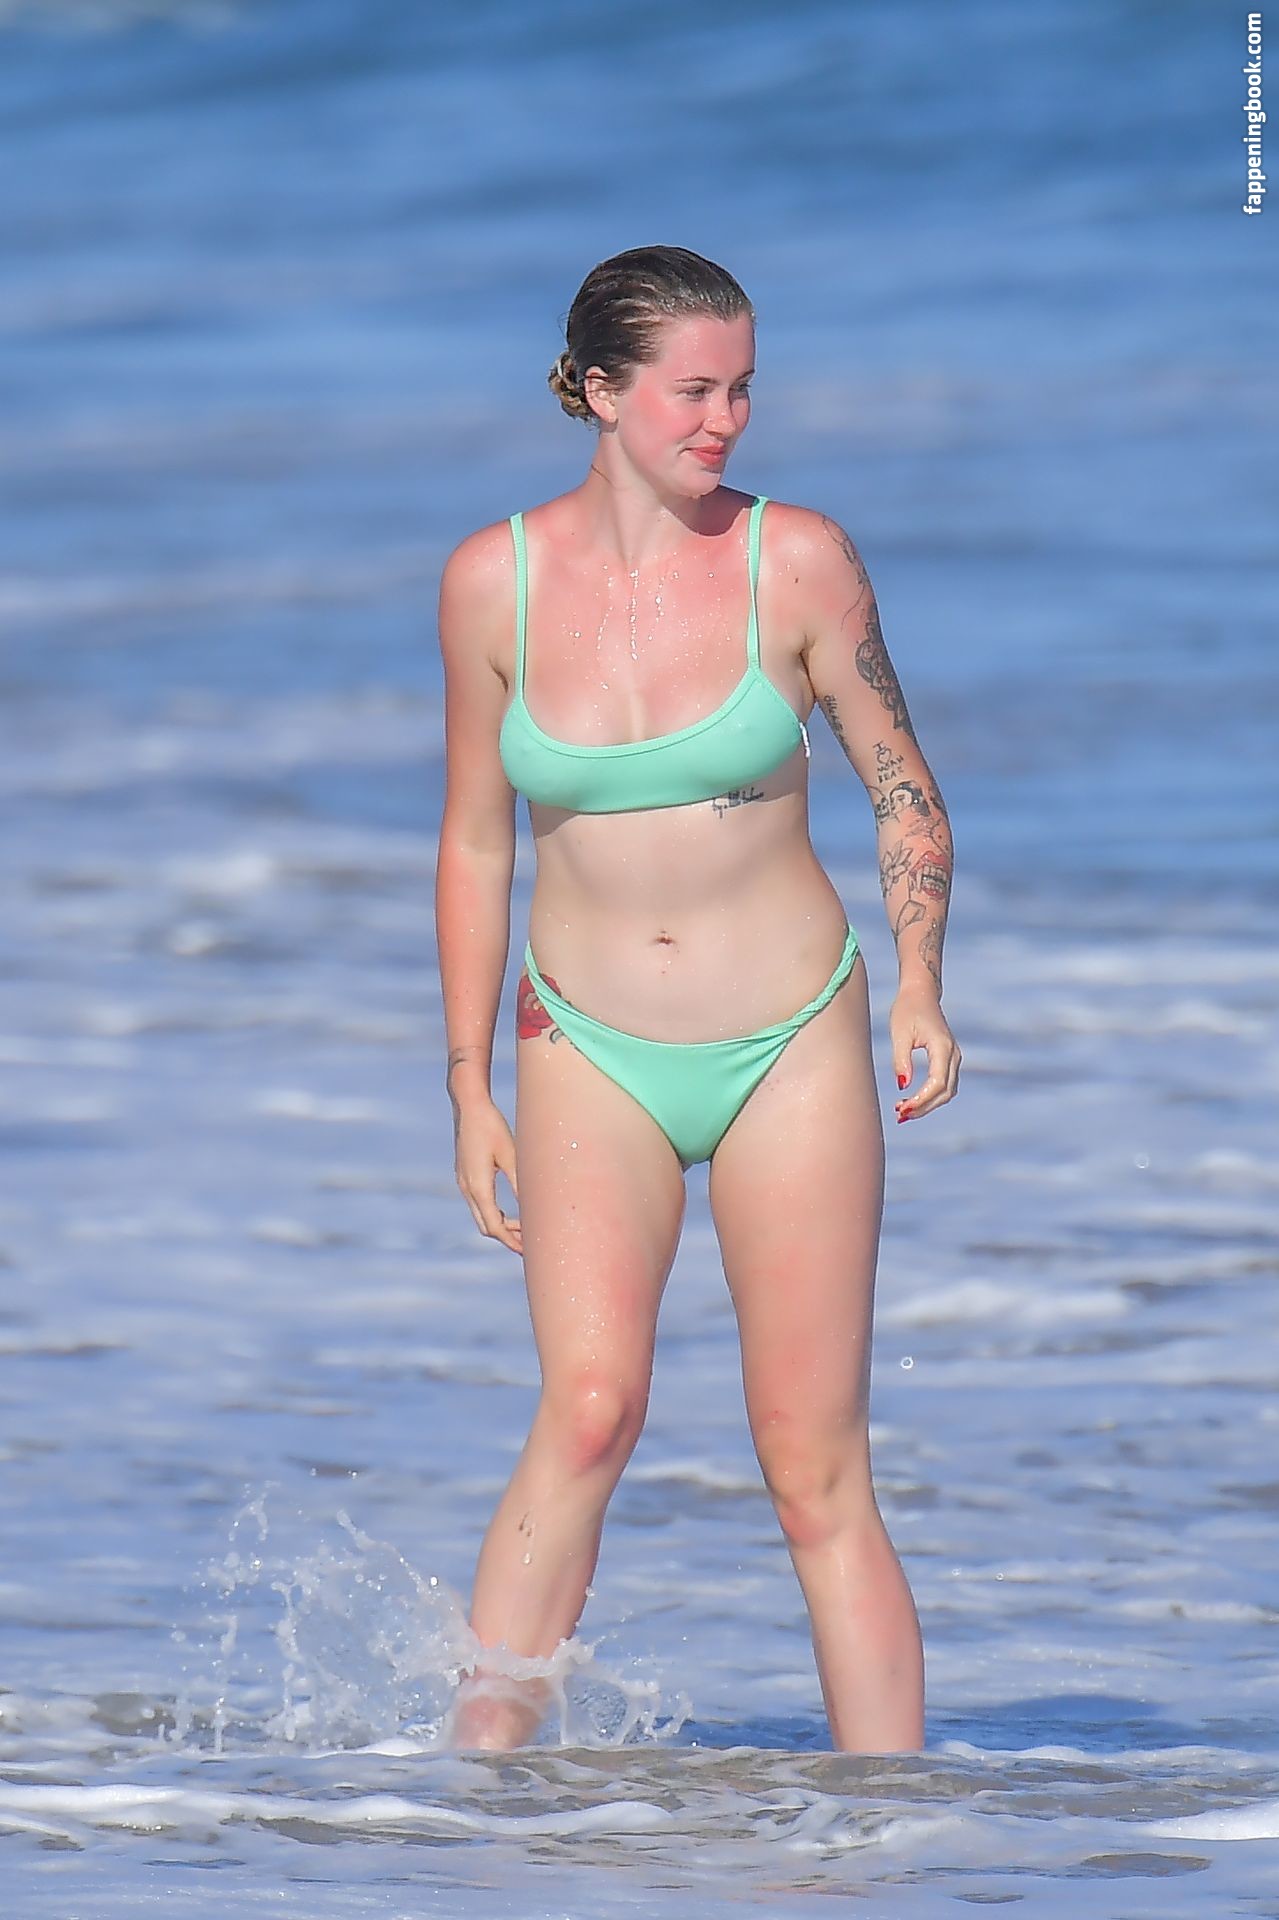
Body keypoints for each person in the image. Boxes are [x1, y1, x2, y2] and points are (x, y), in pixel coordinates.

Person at [434, 245, 959, 1755]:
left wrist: (921, 983)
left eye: (743, 390)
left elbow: (904, 787)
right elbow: (474, 841)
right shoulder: (490, 583)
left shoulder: (799, 563)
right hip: (584, 1041)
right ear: (602, 391)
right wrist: (466, 1084)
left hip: (790, 1039)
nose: (725, 420)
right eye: (693, 391)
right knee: (589, 1410)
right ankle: (469, 1801)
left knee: (811, 1462)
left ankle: (892, 1826)